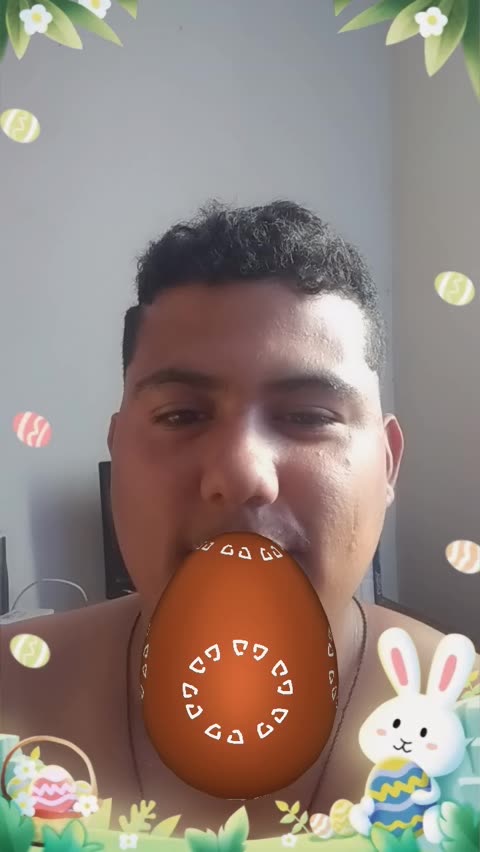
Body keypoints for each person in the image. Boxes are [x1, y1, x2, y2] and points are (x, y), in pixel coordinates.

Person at [0, 201, 478, 839]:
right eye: (181, 415)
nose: (242, 473)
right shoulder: (9, 695)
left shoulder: (466, 728)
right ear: (118, 451)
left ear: (387, 462)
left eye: (308, 416)